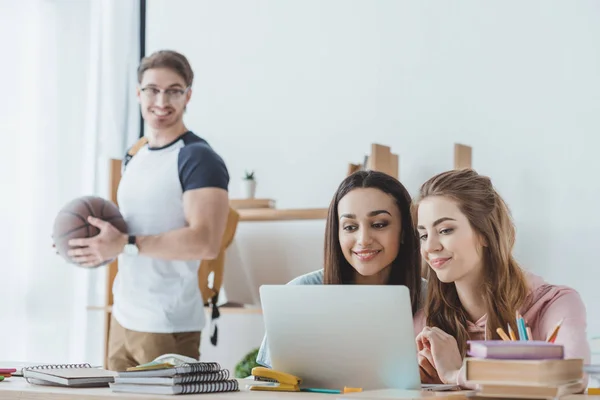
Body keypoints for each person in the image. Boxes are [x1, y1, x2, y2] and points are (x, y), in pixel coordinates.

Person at [65, 50, 230, 371]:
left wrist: (127, 243)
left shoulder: (198, 158)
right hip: (123, 315)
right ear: (139, 93)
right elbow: (129, 226)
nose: (162, 100)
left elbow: (206, 242)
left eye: (174, 90)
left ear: (188, 96)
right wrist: (90, 243)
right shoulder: (134, 154)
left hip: (166, 322)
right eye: (153, 89)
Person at [413, 168, 590, 389]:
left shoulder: (555, 305)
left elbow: (572, 377)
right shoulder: (426, 322)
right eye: (423, 235)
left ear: (485, 233)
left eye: (446, 230)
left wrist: (456, 375)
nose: (430, 246)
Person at [256, 170, 427, 367]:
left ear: (405, 231)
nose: (363, 240)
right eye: (350, 227)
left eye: (379, 224)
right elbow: (270, 381)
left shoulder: (431, 298)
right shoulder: (299, 293)